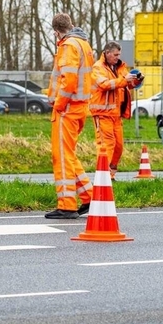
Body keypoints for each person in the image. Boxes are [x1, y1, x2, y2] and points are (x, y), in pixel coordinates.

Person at [46, 12, 95, 219]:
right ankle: (89, 196)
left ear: (57, 32)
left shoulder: (67, 46)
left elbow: (69, 80)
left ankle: (66, 205)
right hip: (80, 107)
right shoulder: (83, 44)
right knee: (69, 155)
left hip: (67, 108)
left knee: (62, 157)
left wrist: (58, 104)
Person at [89, 40, 139, 180]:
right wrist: (124, 80)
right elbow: (105, 84)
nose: (118, 57)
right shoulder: (97, 68)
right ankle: (102, 177)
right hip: (103, 113)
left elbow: (126, 84)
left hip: (116, 114)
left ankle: (110, 175)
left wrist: (136, 81)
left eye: (119, 54)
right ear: (107, 53)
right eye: (115, 54)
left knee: (118, 146)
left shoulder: (120, 67)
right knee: (106, 145)